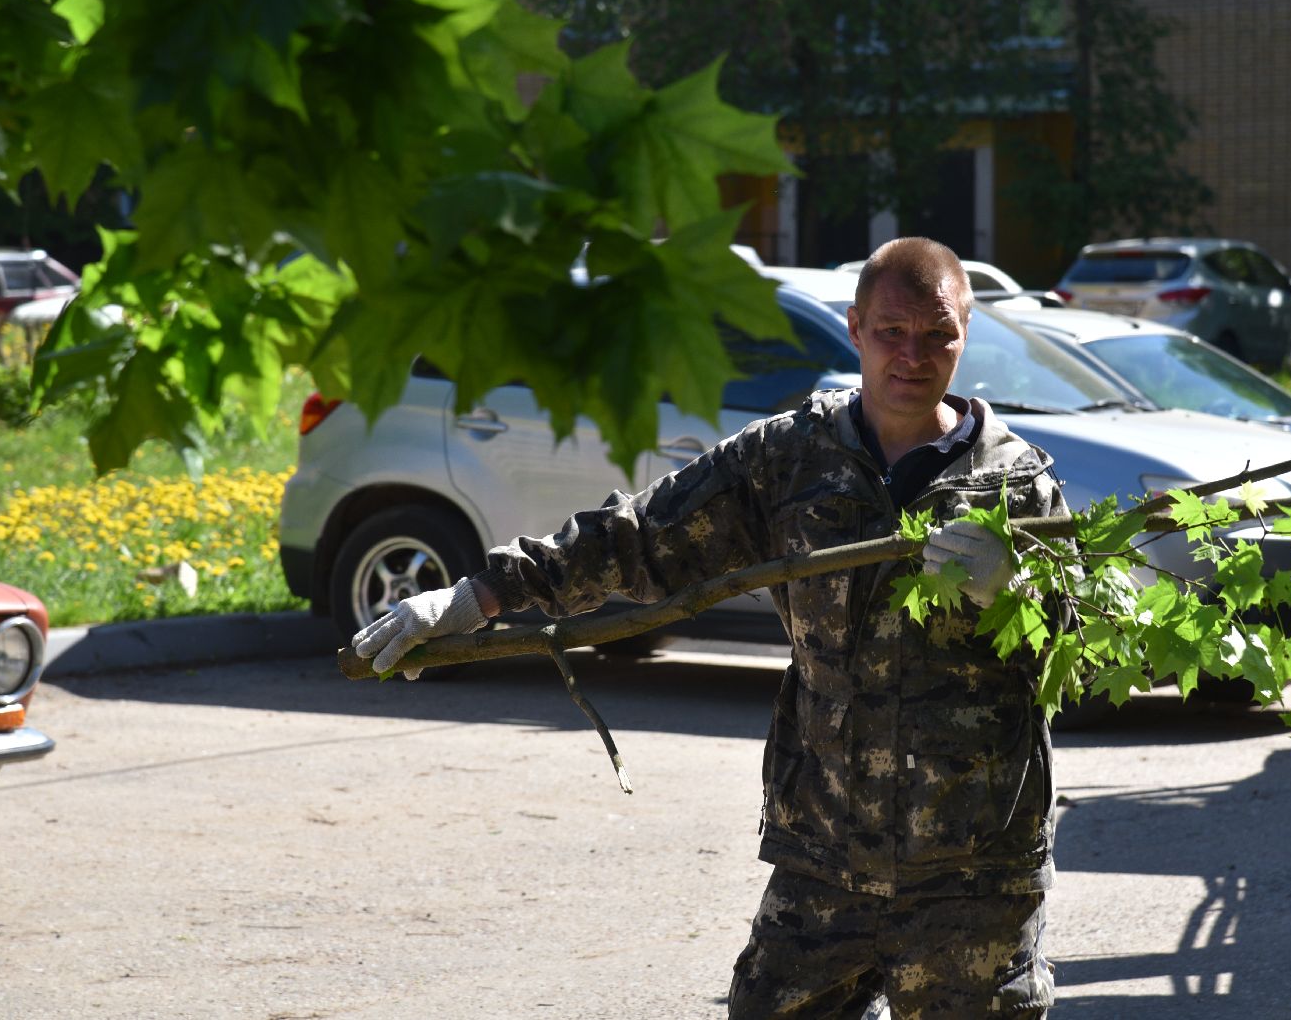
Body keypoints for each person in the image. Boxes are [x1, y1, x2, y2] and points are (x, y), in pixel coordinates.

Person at [353, 237, 1068, 1018]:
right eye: (892, 331)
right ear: (856, 328)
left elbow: (1082, 655)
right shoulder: (790, 459)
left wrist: (1018, 591)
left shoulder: (1018, 485)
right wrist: (479, 595)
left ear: (966, 332)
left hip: (975, 870)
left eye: (938, 334)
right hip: (826, 855)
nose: (914, 355)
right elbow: (640, 536)